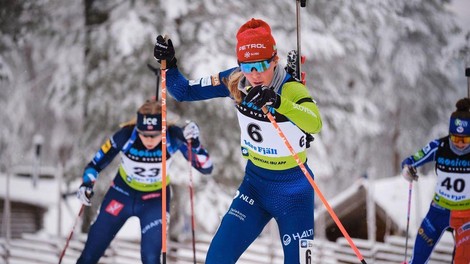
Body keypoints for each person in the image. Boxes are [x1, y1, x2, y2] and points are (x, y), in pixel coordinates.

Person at [154, 18, 322, 264]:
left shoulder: (291, 89)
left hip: (295, 193)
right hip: (255, 187)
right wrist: (169, 65)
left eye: (262, 65)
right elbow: (184, 91)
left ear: (275, 60)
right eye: (247, 65)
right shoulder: (235, 80)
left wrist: (278, 102)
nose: (254, 74)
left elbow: (314, 123)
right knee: (217, 258)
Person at [75, 99, 213, 264]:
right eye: (143, 134)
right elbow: (95, 165)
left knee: (151, 258)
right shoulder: (126, 135)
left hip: (155, 200)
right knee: (90, 253)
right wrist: (86, 184)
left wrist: (195, 145)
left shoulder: (173, 136)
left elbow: (206, 167)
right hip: (121, 194)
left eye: (154, 135)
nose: (148, 140)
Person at [401, 97, 470, 264]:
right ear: (450, 134)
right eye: (455, 139)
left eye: (465, 140)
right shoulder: (439, 147)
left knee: (463, 261)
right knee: (417, 259)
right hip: (438, 211)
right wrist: (407, 169)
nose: (460, 144)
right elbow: (411, 160)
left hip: (466, 215)